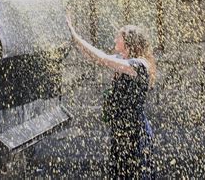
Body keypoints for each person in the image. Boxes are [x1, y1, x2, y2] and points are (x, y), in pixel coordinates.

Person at [65, 14, 155, 178]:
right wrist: (74, 39)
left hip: (134, 132)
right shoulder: (124, 59)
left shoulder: (139, 65)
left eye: (118, 37)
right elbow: (95, 57)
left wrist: (75, 34)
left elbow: (103, 58)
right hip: (121, 131)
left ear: (128, 41)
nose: (115, 39)